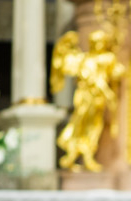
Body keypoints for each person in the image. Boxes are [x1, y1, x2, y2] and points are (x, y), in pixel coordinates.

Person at [51, 29, 125, 172]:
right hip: (85, 97)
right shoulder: (86, 60)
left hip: (98, 100)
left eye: (101, 42)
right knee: (79, 124)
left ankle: (87, 155)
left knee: (94, 127)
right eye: (96, 42)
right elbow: (92, 79)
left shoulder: (107, 58)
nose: (98, 45)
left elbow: (114, 72)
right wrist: (107, 92)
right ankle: (73, 154)